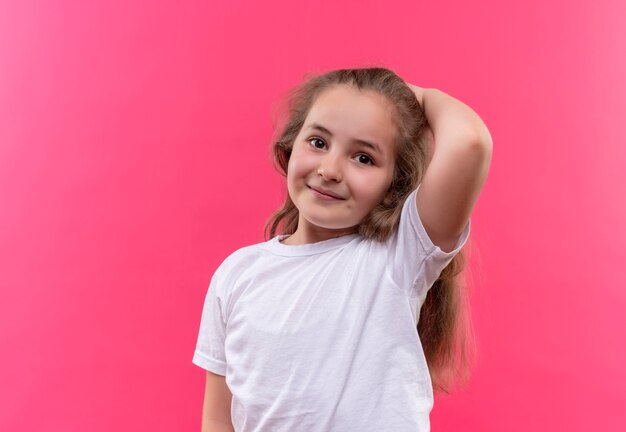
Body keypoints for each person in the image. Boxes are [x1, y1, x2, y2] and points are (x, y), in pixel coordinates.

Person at [192, 67, 493, 432]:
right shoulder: (236, 274)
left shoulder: (399, 257)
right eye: (318, 142)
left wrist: (421, 96)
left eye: (363, 158)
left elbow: (469, 142)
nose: (330, 170)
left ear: (393, 185)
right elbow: (217, 418)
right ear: (289, 146)